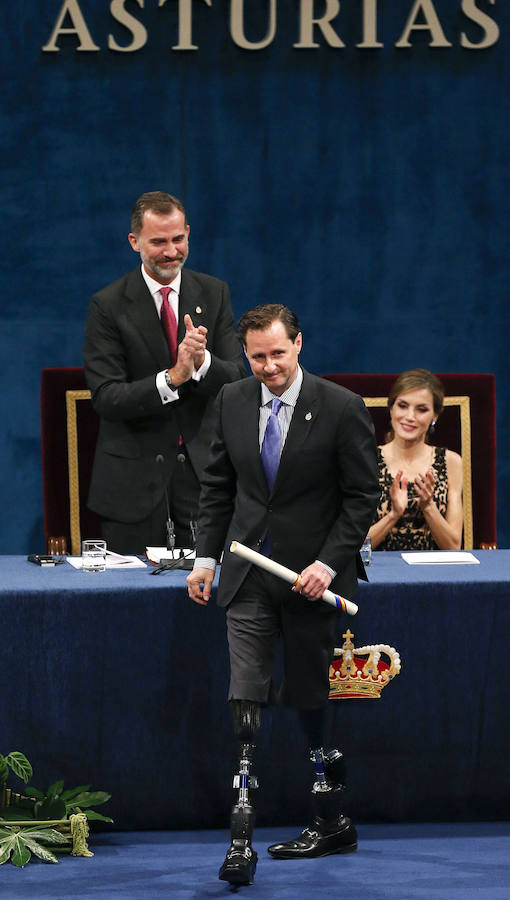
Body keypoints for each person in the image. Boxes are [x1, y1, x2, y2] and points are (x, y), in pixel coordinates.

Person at [187, 304, 380, 885]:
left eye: (278, 353)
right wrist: (203, 556)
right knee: (245, 694)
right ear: (244, 354)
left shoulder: (341, 407)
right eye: (256, 356)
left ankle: (332, 818)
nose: (268, 366)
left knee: (307, 698)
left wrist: (328, 562)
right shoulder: (232, 400)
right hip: (247, 574)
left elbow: (363, 497)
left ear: (299, 344)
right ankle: (240, 838)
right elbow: (218, 485)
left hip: (314, 584)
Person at [83, 191, 245, 554]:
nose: (171, 251)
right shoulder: (107, 306)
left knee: (207, 600)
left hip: (203, 482)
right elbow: (107, 396)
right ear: (134, 241)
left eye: (178, 239)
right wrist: (172, 378)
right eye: (158, 242)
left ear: (187, 233)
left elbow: (236, 377)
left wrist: (201, 363)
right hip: (133, 489)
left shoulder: (214, 293)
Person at [367, 368, 463, 551]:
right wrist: (393, 515)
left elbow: (454, 546)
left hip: (435, 574)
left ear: (434, 416)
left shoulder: (451, 462)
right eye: (403, 406)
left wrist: (428, 507)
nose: (410, 417)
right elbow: (353, 545)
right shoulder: (366, 459)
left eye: (421, 409)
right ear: (391, 408)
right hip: (379, 574)